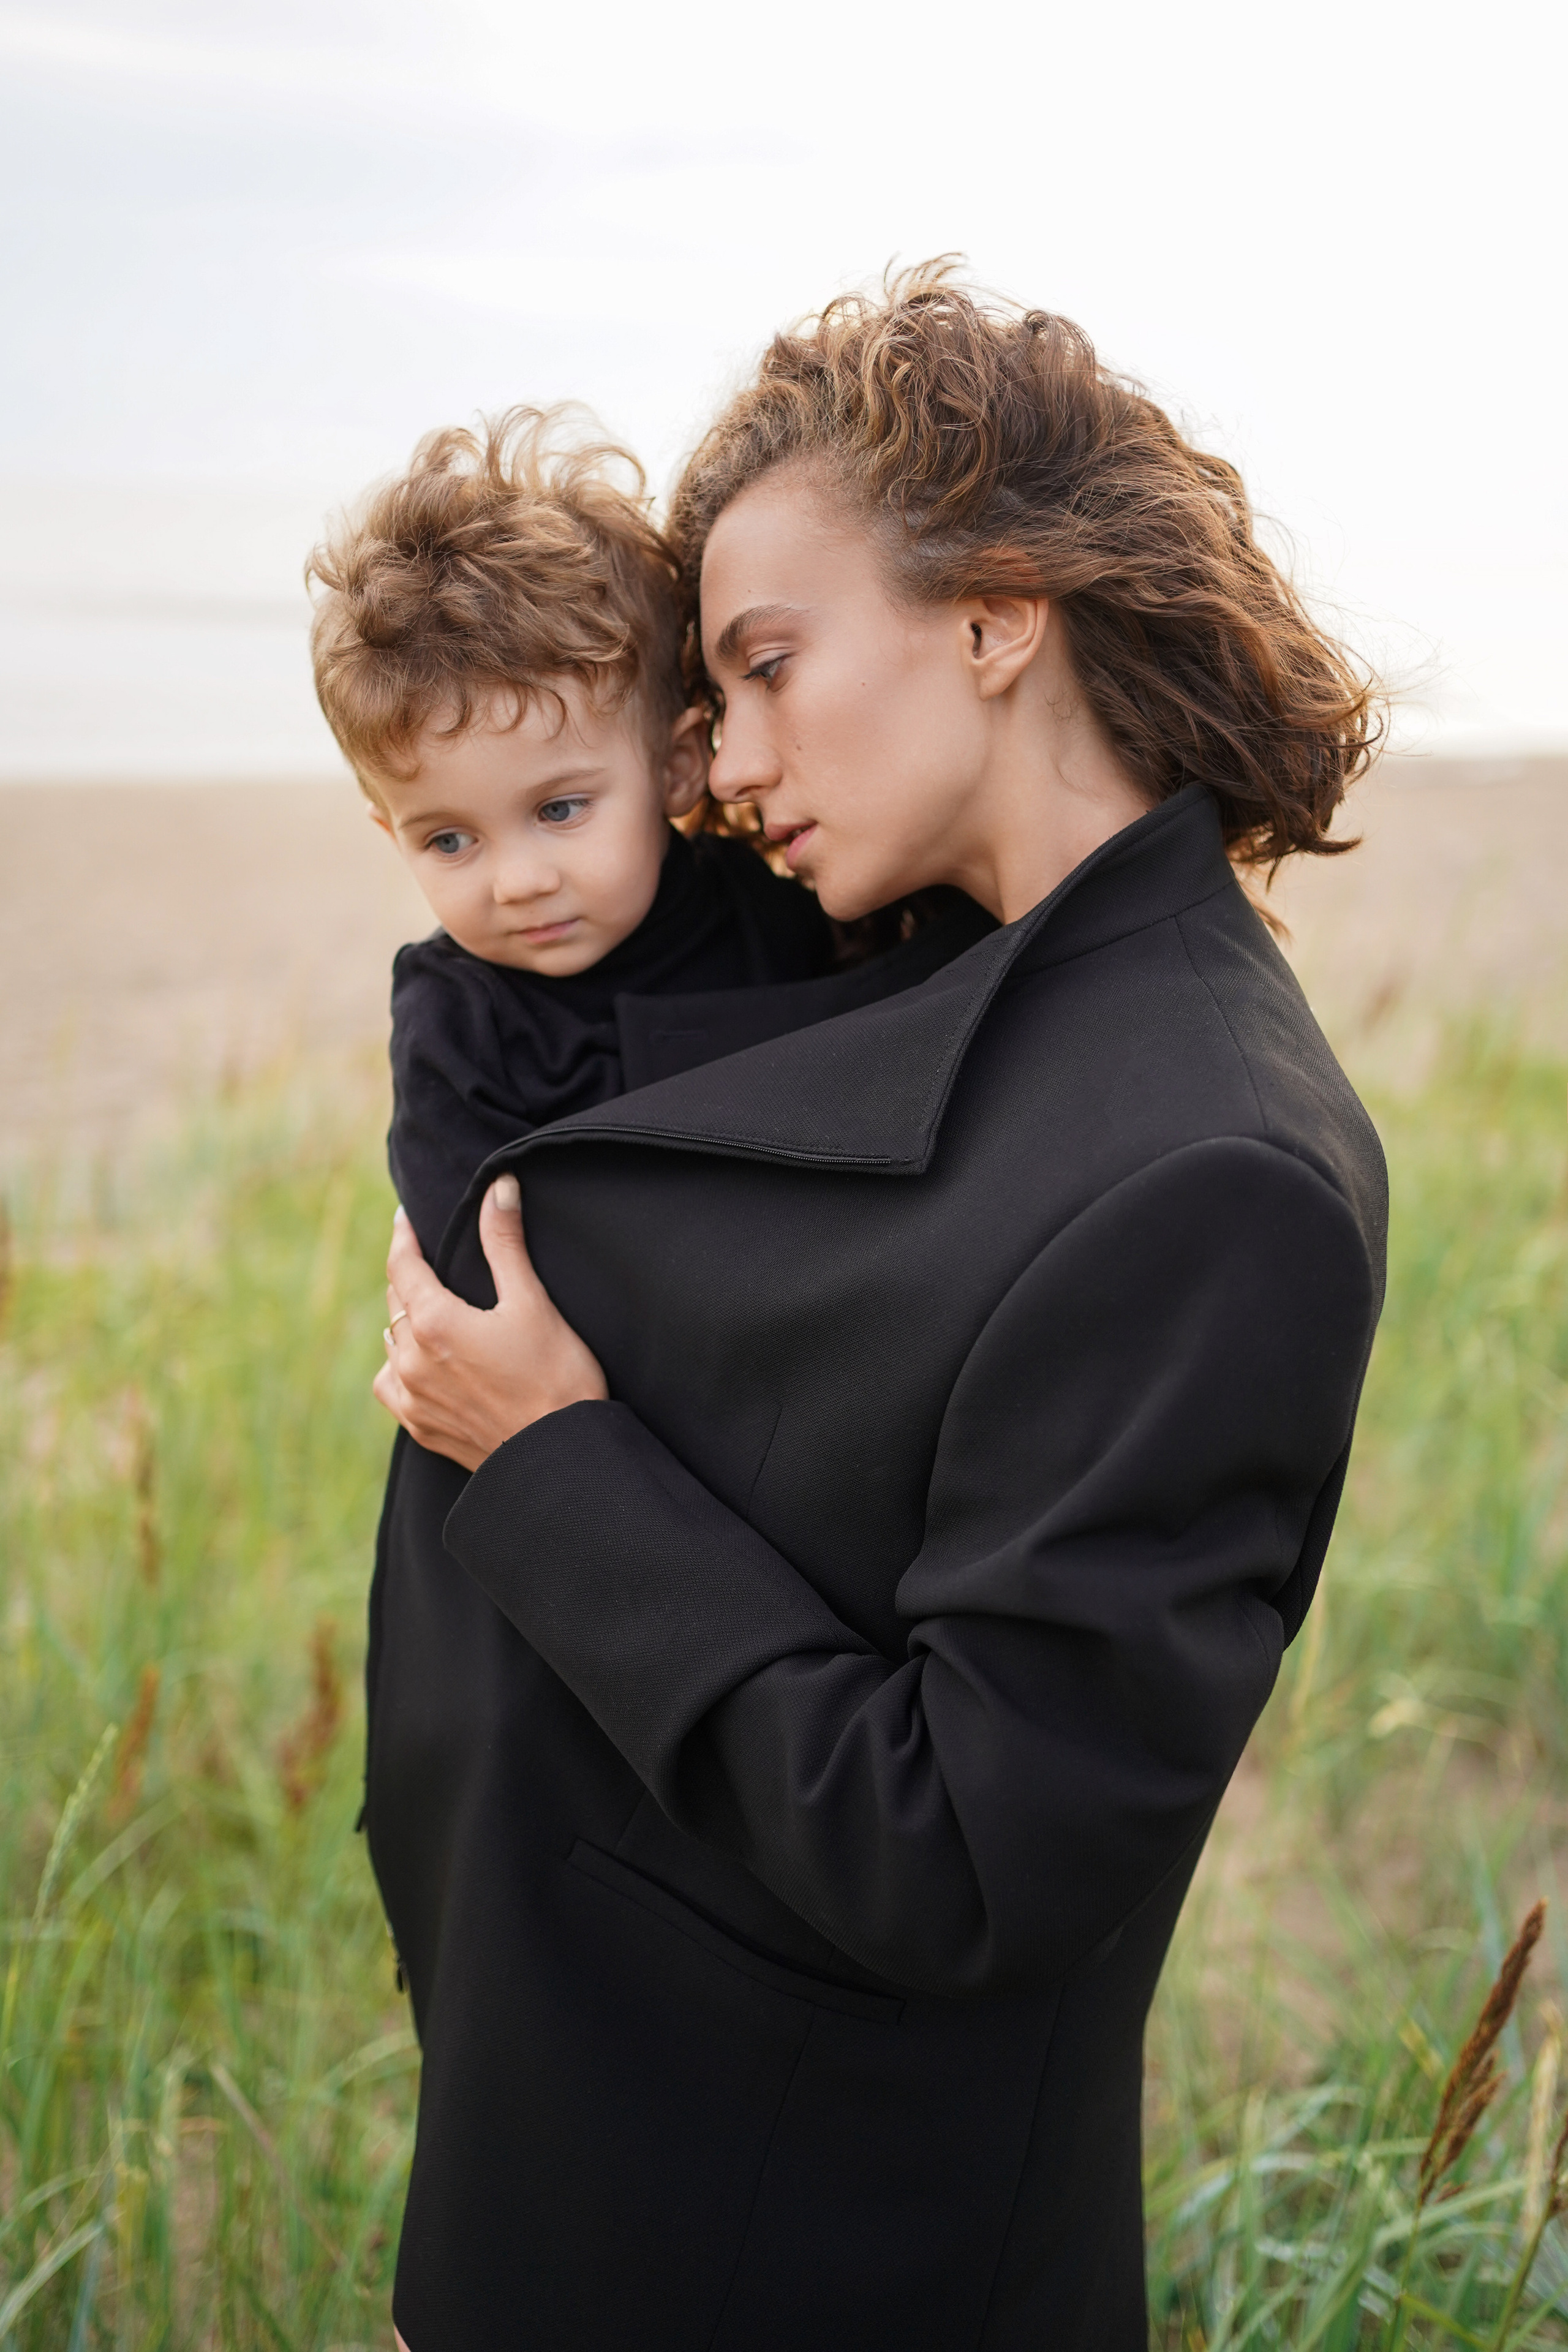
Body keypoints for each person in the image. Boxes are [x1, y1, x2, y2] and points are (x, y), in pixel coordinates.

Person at [370, 268, 1388, 2351]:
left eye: (759, 670)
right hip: (597, 2129)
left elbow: (967, 1850)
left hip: (798, 2240)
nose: (721, 768)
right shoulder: (933, 959)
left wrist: (547, 1458)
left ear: (998, 617)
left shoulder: (1213, 1167)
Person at [306, 408, 842, 1262]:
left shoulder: (771, 917)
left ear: (674, 768)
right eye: (448, 841)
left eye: (559, 811)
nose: (515, 882)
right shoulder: (456, 1022)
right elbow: (477, 1284)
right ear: (390, 832)